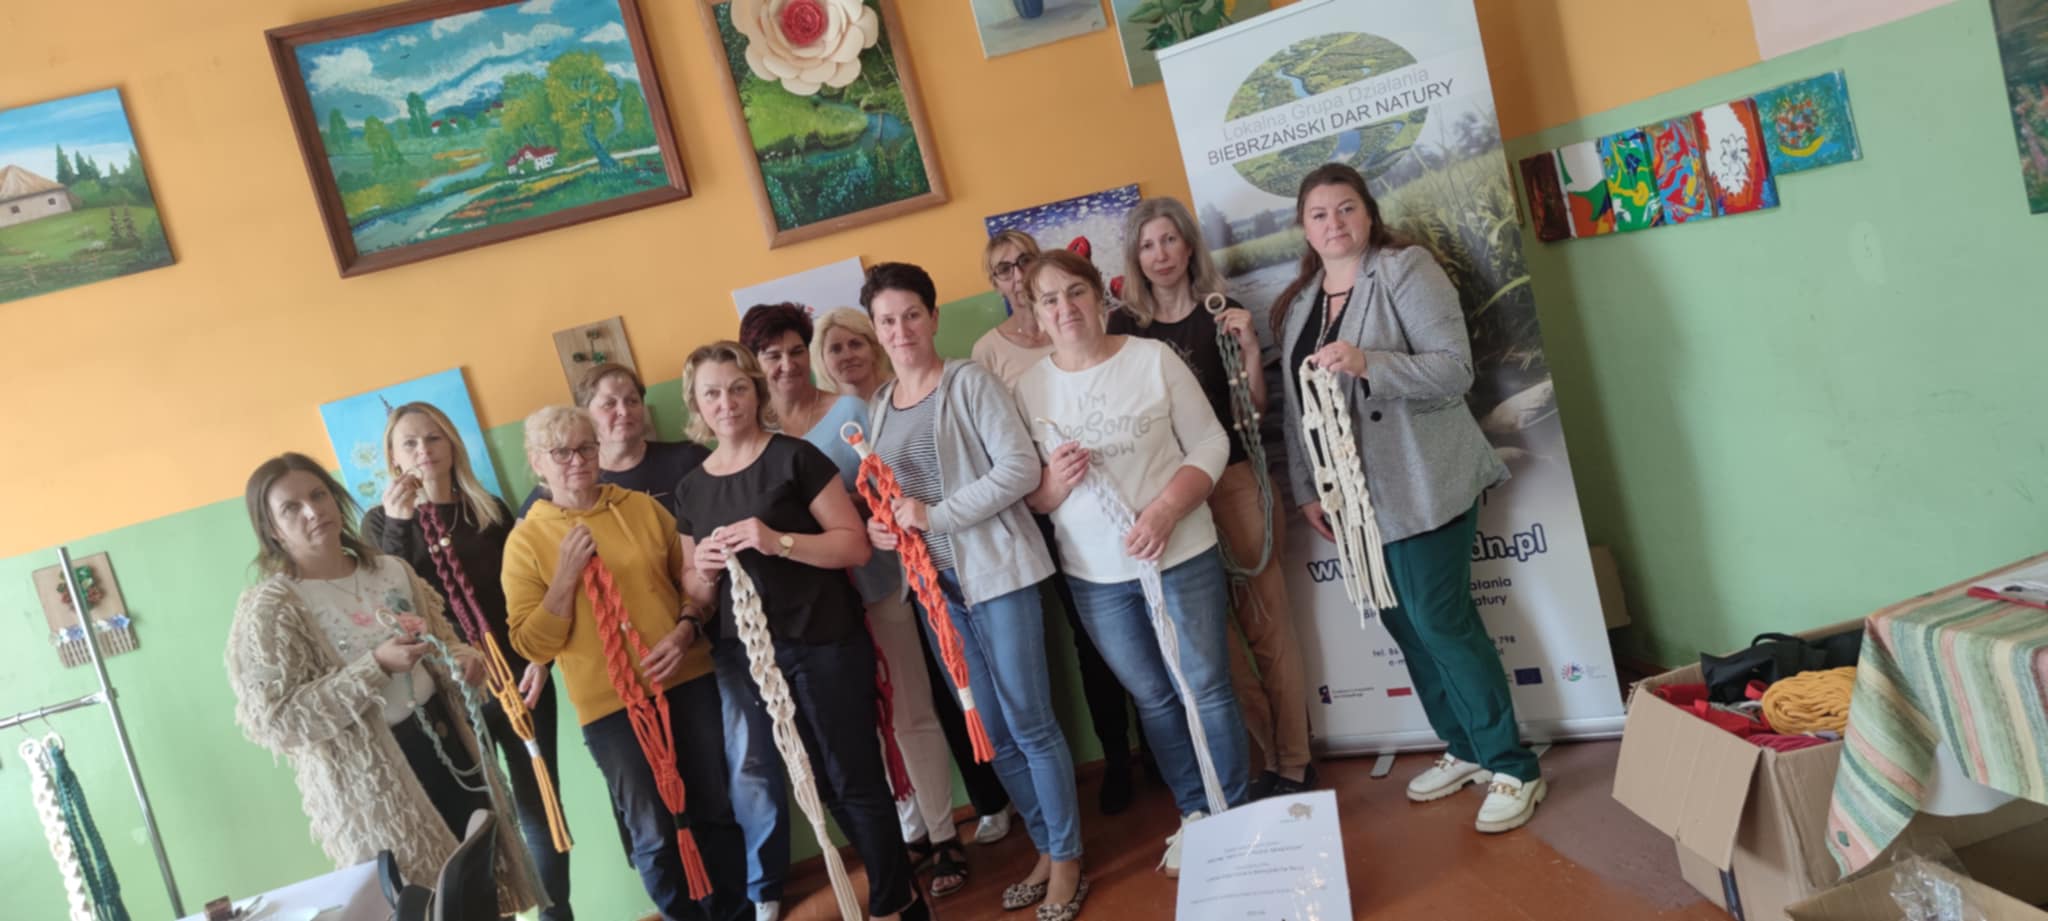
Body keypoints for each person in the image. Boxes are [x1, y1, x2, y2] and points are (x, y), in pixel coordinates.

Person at [1273, 162, 1543, 833]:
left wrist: (1371, 362)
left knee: (1440, 620)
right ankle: (1466, 746)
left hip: (1424, 481)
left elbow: (1454, 370)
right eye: (1319, 214)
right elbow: (1294, 405)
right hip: (1355, 501)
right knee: (1402, 623)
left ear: (1368, 212)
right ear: (1303, 228)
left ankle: (1513, 765)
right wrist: (1308, 488)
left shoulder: (1404, 269)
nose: (1334, 223)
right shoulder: (1301, 303)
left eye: (1346, 208)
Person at [672, 341, 930, 921]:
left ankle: (893, 904)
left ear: (756, 391)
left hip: (824, 640)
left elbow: (854, 546)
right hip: (755, 658)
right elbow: (695, 587)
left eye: (737, 388)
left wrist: (777, 541)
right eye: (712, 393)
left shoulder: (795, 458)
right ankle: (902, 896)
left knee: (855, 777)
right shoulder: (692, 489)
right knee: (822, 786)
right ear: (696, 403)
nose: (726, 402)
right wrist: (703, 571)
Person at [1014, 249, 1251, 876]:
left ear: (1099, 296)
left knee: (1205, 687)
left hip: (1182, 554)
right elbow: (1032, 497)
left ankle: (1236, 812)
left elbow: (1210, 441)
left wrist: (1167, 510)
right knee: (1153, 698)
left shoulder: (1152, 359)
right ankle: (1196, 812)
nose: (1065, 308)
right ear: (1034, 314)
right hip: (1096, 578)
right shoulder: (1029, 389)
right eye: (1049, 299)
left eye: (1075, 292)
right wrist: (1055, 483)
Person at [862, 262, 1087, 921]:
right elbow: (890, 493)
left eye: (911, 314)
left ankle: (1068, 859)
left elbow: (1019, 469)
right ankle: (1045, 846)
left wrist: (935, 516)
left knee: (1030, 722)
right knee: (992, 728)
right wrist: (882, 525)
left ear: (933, 318)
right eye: (887, 320)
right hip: (938, 595)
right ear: (876, 330)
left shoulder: (969, 382)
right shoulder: (879, 405)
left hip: (999, 576)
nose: (901, 329)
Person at [226, 453, 542, 915]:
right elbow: (277, 721)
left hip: (452, 751)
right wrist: (375, 666)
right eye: (291, 508)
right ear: (271, 529)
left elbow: (447, 645)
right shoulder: (272, 607)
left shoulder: (391, 571)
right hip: (376, 786)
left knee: (484, 895)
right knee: (425, 905)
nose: (312, 511)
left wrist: (464, 663)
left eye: (318, 495)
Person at [740, 305, 969, 900]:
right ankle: (908, 834)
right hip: (815, 610)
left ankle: (944, 832)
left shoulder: (848, 412)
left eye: (796, 351)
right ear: (755, 364)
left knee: (910, 710)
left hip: (880, 584)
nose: (786, 365)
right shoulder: (755, 440)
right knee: (857, 728)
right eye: (772, 355)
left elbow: (888, 489)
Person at [502, 407, 749, 921]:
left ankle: (734, 915)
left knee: (714, 810)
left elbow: (692, 580)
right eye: (561, 452)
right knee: (653, 833)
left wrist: (686, 628)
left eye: (585, 447)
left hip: (686, 678)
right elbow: (532, 645)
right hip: (610, 707)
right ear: (537, 462)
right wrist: (565, 577)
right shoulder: (525, 541)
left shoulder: (639, 507)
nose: (577, 460)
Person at [1114, 197, 1316, 799]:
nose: (1160, 255)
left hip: (1232, 482)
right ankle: (1267, 753)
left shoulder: (1220, 312)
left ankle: (1295, 761)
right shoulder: (1123, 329)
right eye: (1147, 245)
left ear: (1188, 245)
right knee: (1213, 645)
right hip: (1168, 499)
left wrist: (1250, 349)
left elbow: (1252, 411)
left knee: (1268, 628)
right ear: (1135, 257)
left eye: (1169, 240)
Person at [816, 303, 1021, 845]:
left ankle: (995, 799)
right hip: (885, 579)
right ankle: (962, 811)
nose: (848, 355)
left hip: (945, 567)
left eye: (856, 342)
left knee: (963, 694)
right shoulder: (851, 414)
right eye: (835, 348)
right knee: (918, 703)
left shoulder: (901, 400)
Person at [361, 402, 574, 919]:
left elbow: (522, 594)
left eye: (433, 438)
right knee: (478, 823)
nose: (423, 451)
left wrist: (539, 660)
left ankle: (558, 913)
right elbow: (388, 604)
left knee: (542, 808)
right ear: (393, 457)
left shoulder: (486, 510)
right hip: (447, 696)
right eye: (410, 443)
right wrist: (400, 523)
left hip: (517, 681)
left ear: (452, 444)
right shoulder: (378, 524)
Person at [974, 232, 1149, 814]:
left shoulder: (1081, 321)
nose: (1016, 274)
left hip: (1121, 493)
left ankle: (1159, 746)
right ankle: (1117, 758)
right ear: (995, 283)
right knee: (1091, 639)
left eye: (1024, 261)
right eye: (1003, 269)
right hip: (1049, 512)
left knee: (1146, 622)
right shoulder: (988, 351)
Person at [517, 363, 711, 517]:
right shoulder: (568, 480)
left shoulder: (690, 458)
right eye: (609, 403)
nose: (624, 411)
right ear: (585, 414)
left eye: (632, 401)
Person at [812, 307, 896, 403]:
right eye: (836, 349)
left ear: (874, 349)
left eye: (856, 345)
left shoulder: (903, 394)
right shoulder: (817, 409)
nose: (848, 356)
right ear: (822, 360)